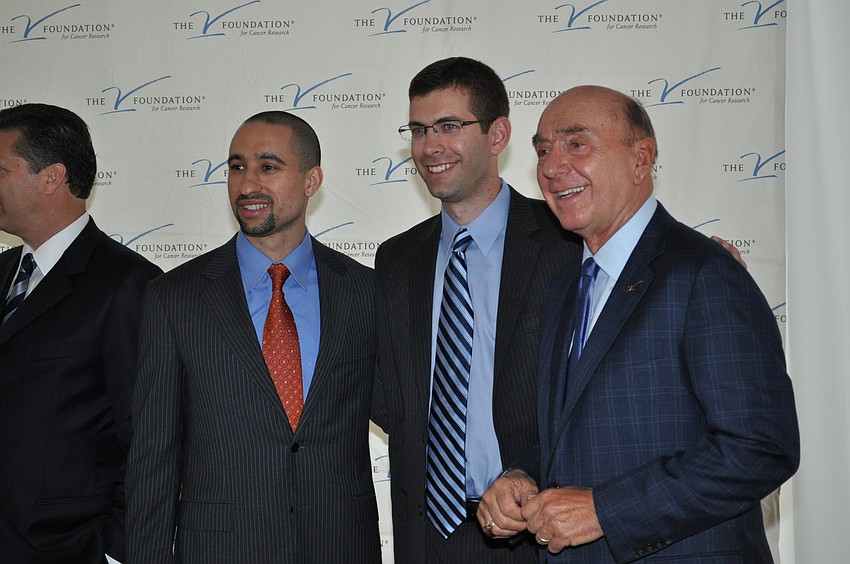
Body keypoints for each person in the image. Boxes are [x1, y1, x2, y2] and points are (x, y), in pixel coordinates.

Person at [477, 85, 799, 563]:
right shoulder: (564, 289)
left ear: (640, 159)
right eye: (543, 150)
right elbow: (575, 436)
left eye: (576, 144)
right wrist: (521, 477)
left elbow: (761, 447)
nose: (551, 166)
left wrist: (605, 511)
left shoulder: (704, 273)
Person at [125, 111, 381, 563]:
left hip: (340, 544)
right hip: (220, 549)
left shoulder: (364, 291)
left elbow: (407, 414)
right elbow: (153, 456)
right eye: (237, 167)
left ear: (311, 180)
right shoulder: (174, 298)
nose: (247, 185)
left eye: (268, 166)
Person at [371, 57, 582, 563]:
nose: (430, 146)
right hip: (427, 536)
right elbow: (388, 396)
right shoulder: (396, 258)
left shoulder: (567, 242)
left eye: (449, 126)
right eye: (419, 130)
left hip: (539, 535)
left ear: (497, 134)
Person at [0, 103, 162, 563]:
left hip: (68, 548)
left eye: (0, 170)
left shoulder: (129, 283)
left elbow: (149, 437)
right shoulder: (4, 272)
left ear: (52, 177)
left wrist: (116, 551)